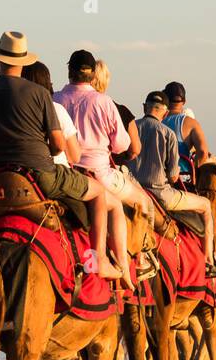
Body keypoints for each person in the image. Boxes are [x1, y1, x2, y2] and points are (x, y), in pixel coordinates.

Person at [0, 31, 118, 278]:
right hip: (39, 175)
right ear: (23, 63)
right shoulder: (40, 93)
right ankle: (98, 262)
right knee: (98, 193)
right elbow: (57, 145)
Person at [54, 49, 154, 278]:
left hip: (67, 174)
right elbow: (121, 145)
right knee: (144, 202)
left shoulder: (54, 99)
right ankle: (134, 262)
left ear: (69, 71)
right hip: (100, 174)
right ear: (92, 76)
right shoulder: (104, 102)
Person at [127, 90, 216, 273]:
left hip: (132, 192)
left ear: (144, 107)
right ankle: (208, 261)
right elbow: (173, 176)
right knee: (207, 205)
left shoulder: (131, 127)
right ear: (165, 112)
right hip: (161, 194)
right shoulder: (167, 134)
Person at [21, 61, 80, 167]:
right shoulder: (56, 109)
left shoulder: (15, 109)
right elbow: (74, 156)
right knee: (94, 184)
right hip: (52, 169)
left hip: (18, 167)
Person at [159, 81, 211, 180]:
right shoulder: (191, 123)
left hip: (156, 177)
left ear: (165, 100)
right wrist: (195, 173)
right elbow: (203, 152)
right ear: (184, 101)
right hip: (182, 179)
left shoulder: (157, 121)